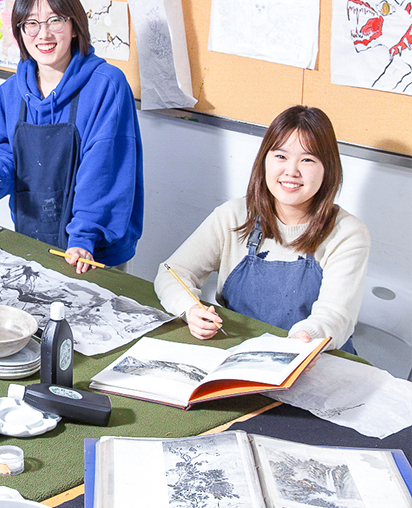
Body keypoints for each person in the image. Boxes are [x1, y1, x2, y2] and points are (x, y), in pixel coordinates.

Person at [154, 106, 370, 353]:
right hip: (239, 353)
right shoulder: (234, 215)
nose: (291, 171)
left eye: (307, 159)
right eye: (281, 156)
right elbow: (172, 272)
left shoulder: (347, 233)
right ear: (264, 160)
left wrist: (308, 339)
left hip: (315, 357)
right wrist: (190, 309)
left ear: (328, 168)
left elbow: (337, 316)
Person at [0, 0, 143, 274]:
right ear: (20, 31)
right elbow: (4, 152)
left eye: (55, 20)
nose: (44, 34)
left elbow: (103, 171)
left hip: (92, 250)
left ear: (75, 26)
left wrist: (84, 237)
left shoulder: (106, 86)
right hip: (33, 239)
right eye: (31, 23)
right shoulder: (10, 92)